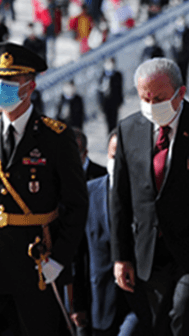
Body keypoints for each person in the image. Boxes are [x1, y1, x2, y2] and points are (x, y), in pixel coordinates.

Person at [0, 42, 89, 335]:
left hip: (35, 259)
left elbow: (77, 204)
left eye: (9, 82)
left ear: (29, 87)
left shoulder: (56, 137)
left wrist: (60, 259)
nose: (0, 87)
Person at [109, 58, 189, 336]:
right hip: (149, 253)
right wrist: (121, 257)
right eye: (145, 97)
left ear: (180, 93)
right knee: (158, 326)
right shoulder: (129, 129)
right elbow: (120, 198)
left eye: (159, 98)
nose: (152, 104)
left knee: (184, 316)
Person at [72, 132, 137, 336]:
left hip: (138, 300)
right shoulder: (90, 192)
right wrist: (77, 303)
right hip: (100, 301)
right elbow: (79, 253)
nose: (117, 162)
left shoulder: (146, 194)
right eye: (113, 155)